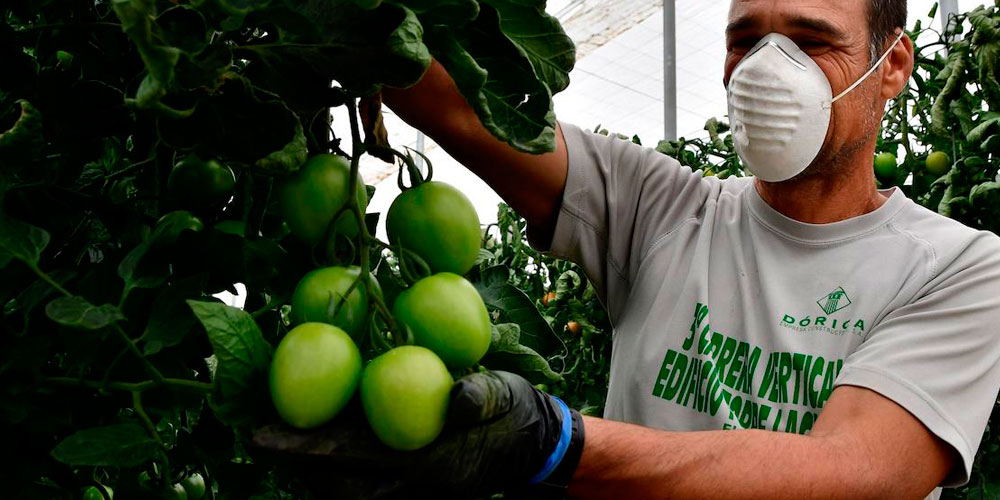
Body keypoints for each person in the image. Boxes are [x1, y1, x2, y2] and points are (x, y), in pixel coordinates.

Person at [254, 0, 1000, 498]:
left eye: (811, 40)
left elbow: (856, 470)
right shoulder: (664, 209)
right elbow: (449, 99)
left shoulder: (961, 268)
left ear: (894, 66)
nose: (771, 67)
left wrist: (559, 444)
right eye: (746, 40)